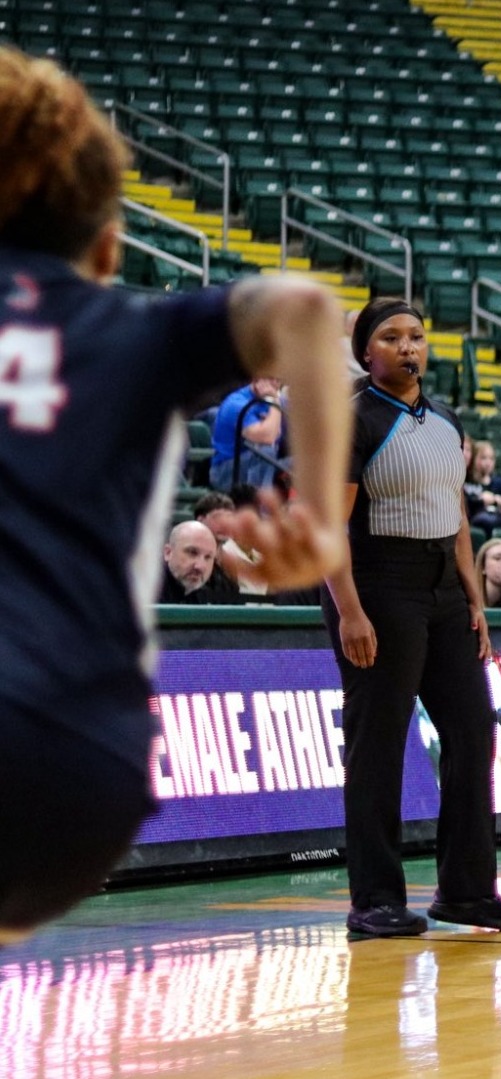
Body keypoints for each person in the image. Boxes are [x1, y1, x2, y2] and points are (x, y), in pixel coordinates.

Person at [0, 47, 349, 939]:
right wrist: (315, 517)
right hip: (73, 766)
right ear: (109, 246)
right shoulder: (129, 327)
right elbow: (305, 308)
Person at [321, 296, 501, 938]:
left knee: (473, 729)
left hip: (443, 586)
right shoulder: (353, 420)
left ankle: (467, 892)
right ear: (366, 351)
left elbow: (459, 517)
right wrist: (350, 611)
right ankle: (375, 899)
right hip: (378, 584)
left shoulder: (446, 419)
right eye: (391, 337)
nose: (408, 347)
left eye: (416, 336)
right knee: (379, 745)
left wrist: (473, 599)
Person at [209, 374, 284, 491]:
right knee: (265, 451)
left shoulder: (271, 400)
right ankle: (258, 505)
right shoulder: (236, 403)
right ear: (256, 379)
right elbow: (267, 437)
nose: (274, 384)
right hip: (227, 470)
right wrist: (275, 401)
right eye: (269, 378)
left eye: (277, 380)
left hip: (260, 466)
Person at [158, 520, 242, 605]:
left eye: (208, 557)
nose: (200, 566)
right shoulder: (147, 588)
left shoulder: (222, 588)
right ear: (168, 553)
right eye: (192, 552)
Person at [464, 438, 501, 535]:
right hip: (475, 521)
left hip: (497, 517)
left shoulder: (500, 483)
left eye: (491, 458)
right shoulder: (465, 480)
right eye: (483, 458)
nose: (488, 463)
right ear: (473, 458)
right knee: (484, 520)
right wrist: (481, 500)